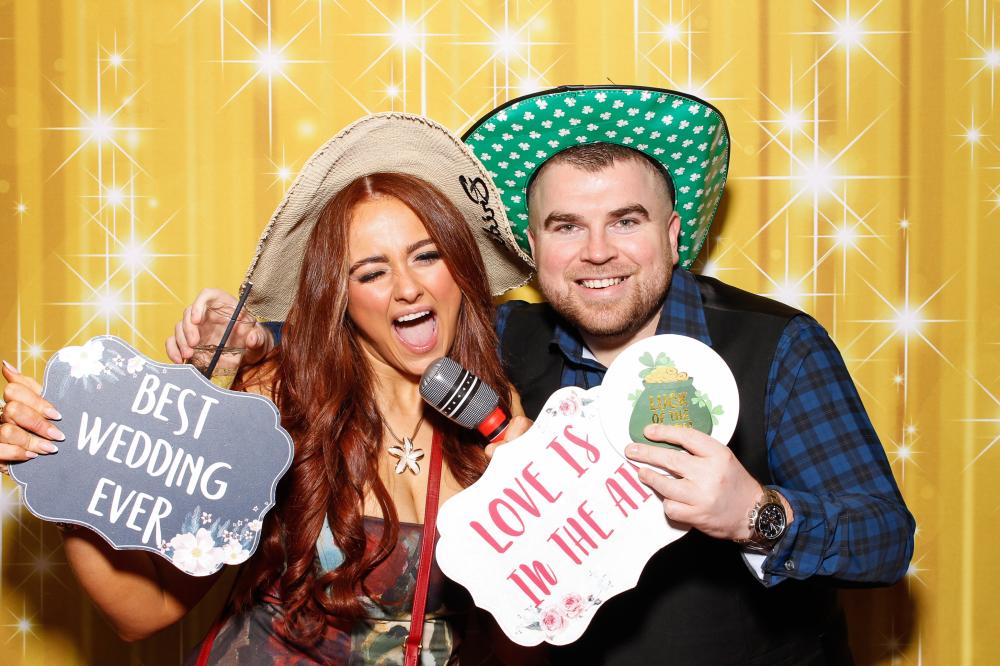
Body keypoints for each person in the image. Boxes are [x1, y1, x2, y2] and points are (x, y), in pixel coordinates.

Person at [175, 86, 915, 665]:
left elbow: (886, 540)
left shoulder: (775, 346)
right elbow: (372, 323)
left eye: (626, 220)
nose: (597, 252)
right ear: (533, 246)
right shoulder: (508, 342)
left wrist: (756, 514)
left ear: (673, 233)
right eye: (567, 227)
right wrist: (255, 341)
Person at [0, 113, 539, 664]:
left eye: (426, 256)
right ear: (339, 297)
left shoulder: (495, 413)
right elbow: (144, 612)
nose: (407, 288)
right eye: (371, 272)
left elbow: (521, 640)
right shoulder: (277, 401)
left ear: (460, 269)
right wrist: (64, 469)